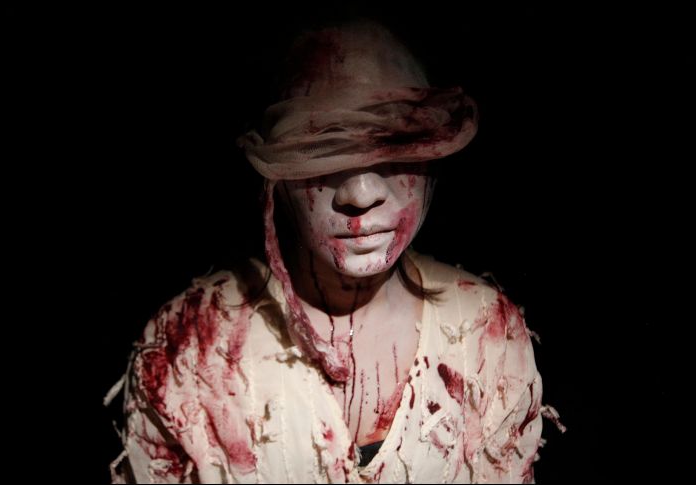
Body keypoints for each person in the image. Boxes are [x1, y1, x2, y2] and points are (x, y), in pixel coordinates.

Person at [106, 19, 562, 483]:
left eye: (396, 147)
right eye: (320, 150)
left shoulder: (486, 336)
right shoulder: (189, 347)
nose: (361, 194)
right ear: (276, 175)